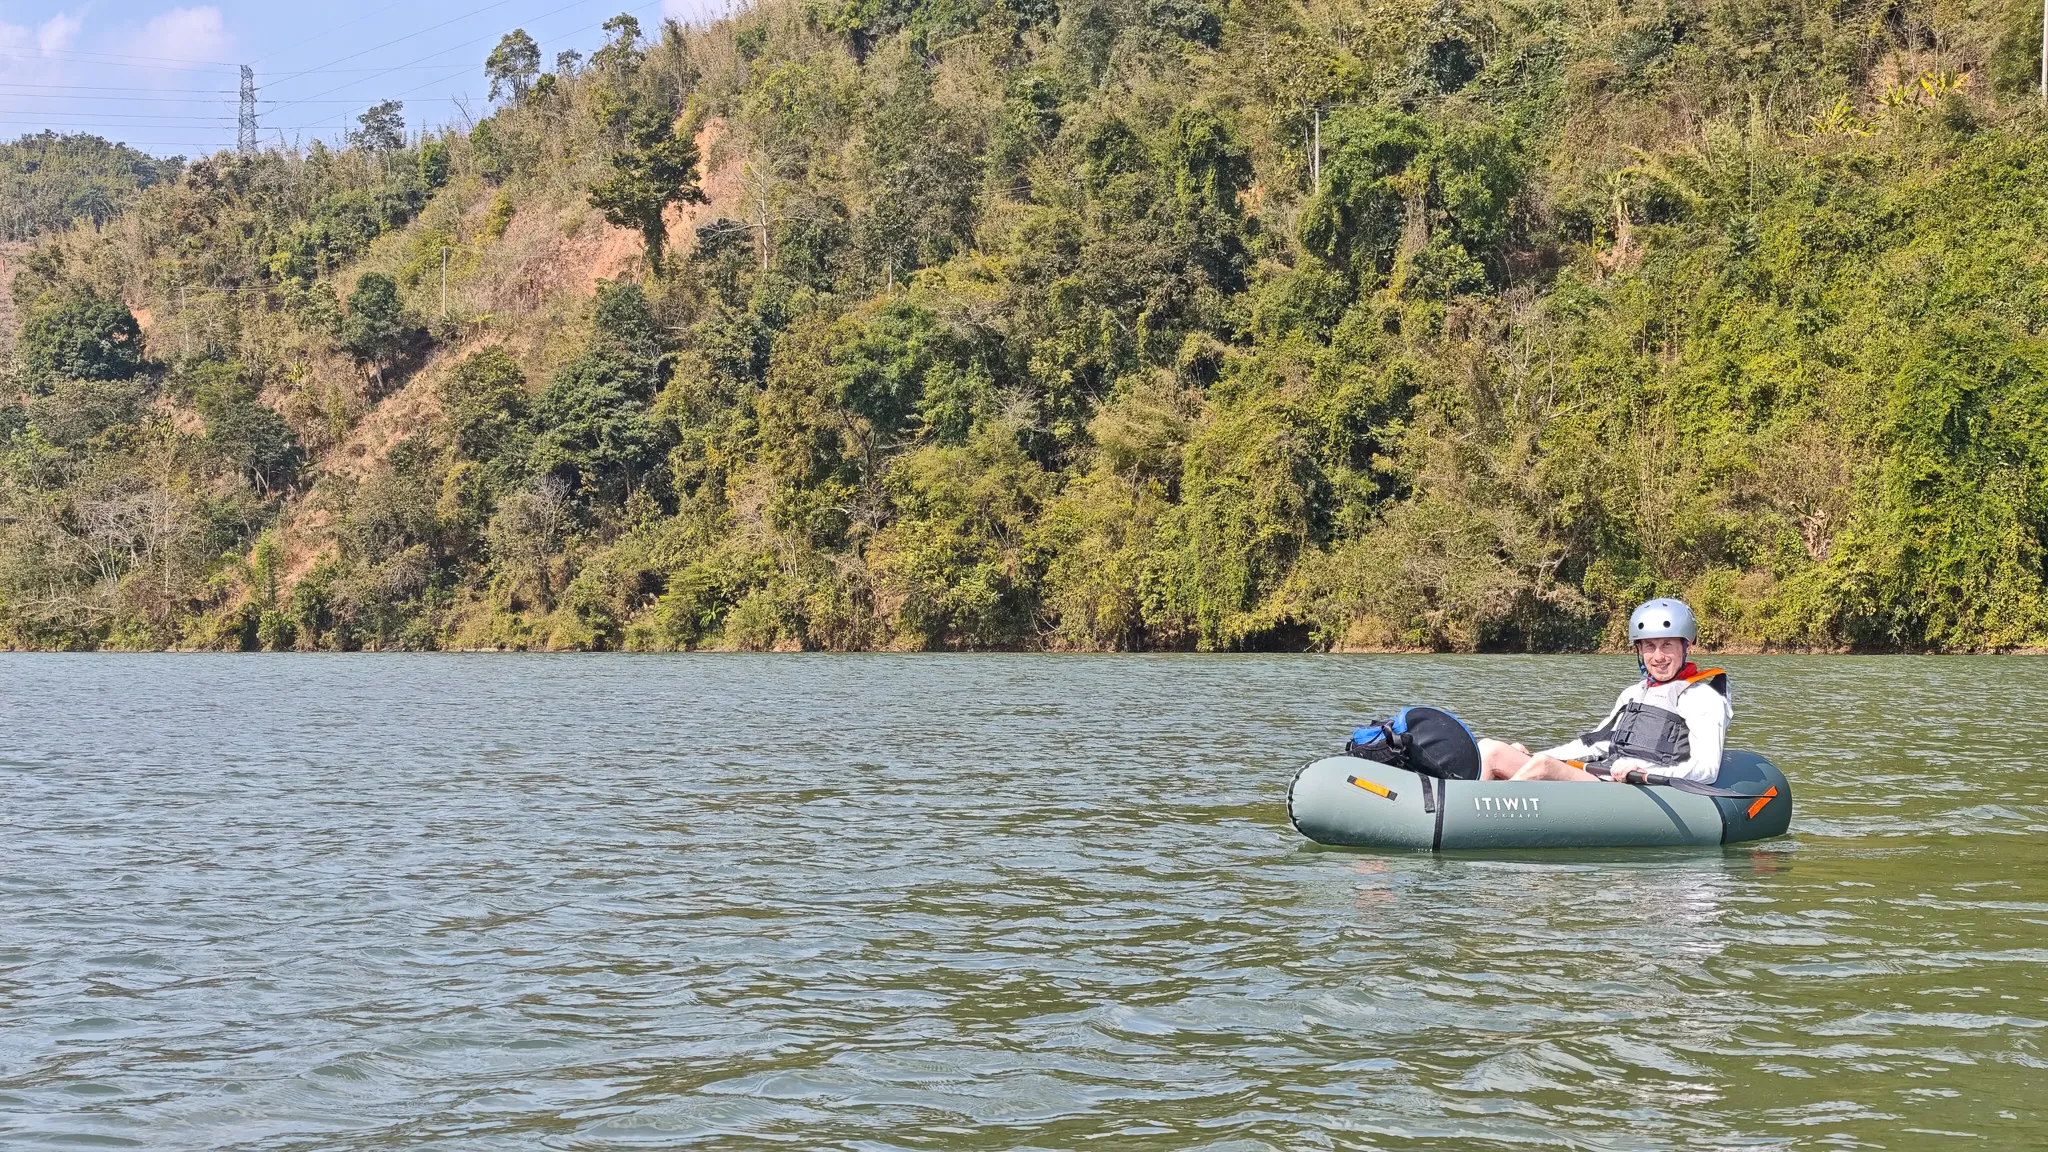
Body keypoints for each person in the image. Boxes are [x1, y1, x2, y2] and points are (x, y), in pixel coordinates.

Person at [1478, 598, 1732, 784]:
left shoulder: (1702, 698)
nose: (1658, 656)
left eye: (1667, 645)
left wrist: (1645, 773)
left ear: (1685, 646)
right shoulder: (1634, 693)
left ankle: (1480, 816)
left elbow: (1706, 770)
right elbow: (1597, 744)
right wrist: (1536, 754)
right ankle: (1460, 807)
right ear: (1639, 651)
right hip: (1604, 776)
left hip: (1643, 789)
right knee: (1491, 749)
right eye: (1649, 646)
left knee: (1543, 767)